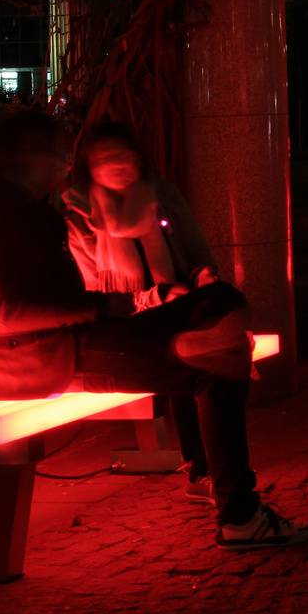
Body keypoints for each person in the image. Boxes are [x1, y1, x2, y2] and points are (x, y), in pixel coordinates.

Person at [0, 109, 308, 550]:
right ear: (20, 158)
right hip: (32, 361)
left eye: (59, 153)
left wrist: (118, 306)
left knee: (219, 303)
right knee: (212, 363)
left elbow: (70, 301)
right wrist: (103, 304)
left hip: (74, 341)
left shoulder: (37, 215)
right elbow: (4, 313)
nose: (60, 163)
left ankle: (220, 334)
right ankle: (240, 514)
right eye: (50, 153)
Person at [65, 121, 220, 506]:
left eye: (124, 155)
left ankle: (208, 467)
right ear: (88, 165)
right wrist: (157, 296)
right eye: (105, 158)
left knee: (212, 337)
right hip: (120, 325)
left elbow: (196, 249)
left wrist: (204, 275)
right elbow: (97, 294)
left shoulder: (160, 194)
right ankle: (204, 469)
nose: (117, 165)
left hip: (175, 303)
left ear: (139, 159)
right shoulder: (78, 213)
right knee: (193, 356)